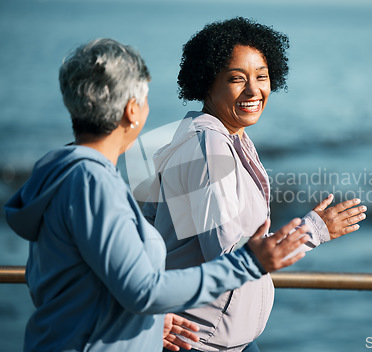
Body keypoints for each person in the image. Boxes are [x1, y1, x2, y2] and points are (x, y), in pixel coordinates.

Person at [3, 38, 313, 352]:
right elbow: (144, 290)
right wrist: (249, 263)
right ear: (132, 110)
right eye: (146, 98)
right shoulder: (91, 184)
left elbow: (82, 273)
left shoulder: (66, 172)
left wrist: (152, 318)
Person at [143, 17, 367, 352]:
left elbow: (147, 229)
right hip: (199, 342)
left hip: (221, 338)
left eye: (262, 76)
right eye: (237, 78)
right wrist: (315, 230)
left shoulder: (220, 138)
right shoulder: (209, 148)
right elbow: (231, 256)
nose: (254, 90)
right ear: (207, 82)